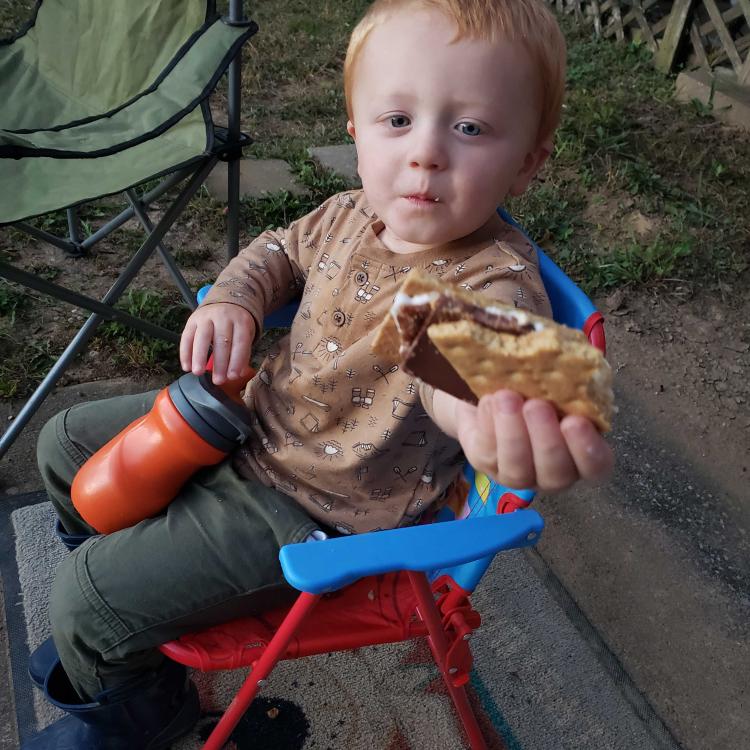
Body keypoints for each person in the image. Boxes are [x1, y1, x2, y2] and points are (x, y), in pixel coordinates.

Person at [26, 0, 614, 747]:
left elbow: (476, 375)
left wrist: (497, 417)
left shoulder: (480, 281)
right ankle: (131, 627)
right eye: (397, 120)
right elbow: (278, 252)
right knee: (63, 441)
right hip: (255, 422)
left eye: (469, 127)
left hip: (312, 507)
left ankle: (140, 709)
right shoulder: (351, 212)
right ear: (355, 133)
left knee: (86, 597)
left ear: (530, 159)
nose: (426, 152)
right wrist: (237, 299)